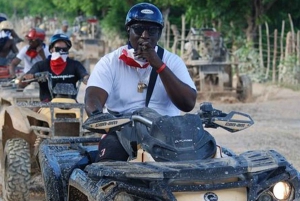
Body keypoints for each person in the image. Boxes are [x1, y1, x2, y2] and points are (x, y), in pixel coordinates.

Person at [84, 3, 197, 161]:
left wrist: (159, 65)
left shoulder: (173, 61)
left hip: (168, 133)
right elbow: (93, 96)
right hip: (122, 132)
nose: (145, 35)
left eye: (152, 30)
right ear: (128, 29)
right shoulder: (109, 62)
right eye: (138, 29)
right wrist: (98, 116)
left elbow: (188, 104)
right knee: (108, 167)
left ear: (159, 34)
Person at [19, 33, 89, 102]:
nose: (61, 52)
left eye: (64, 49)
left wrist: (87, 79)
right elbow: (22, 83)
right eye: (58, 49)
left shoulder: (75, 65)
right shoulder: (41, 65)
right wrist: (26, 78)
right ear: (51, 49)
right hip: (46, 106)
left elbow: (84, 76)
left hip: (71, 105)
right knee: (31, 113)